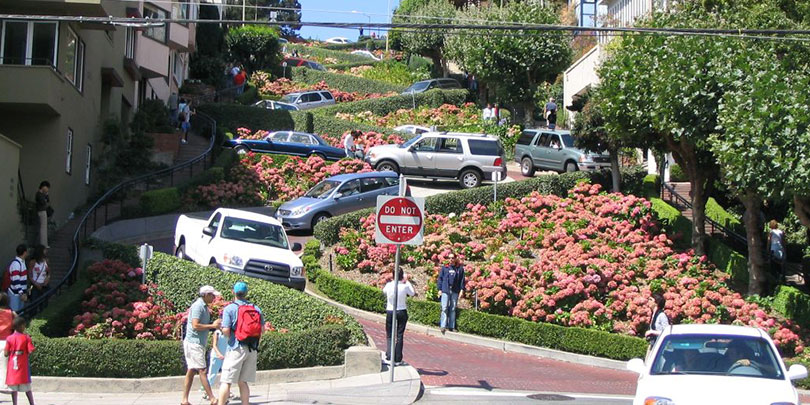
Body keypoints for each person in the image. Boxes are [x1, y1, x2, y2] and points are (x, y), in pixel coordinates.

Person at [218, 282, 263, 405]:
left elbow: (226, 330)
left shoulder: (230, 308)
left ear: (233, 292)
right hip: (252, 348)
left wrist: (226, 332)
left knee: (226, 381)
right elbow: (262, 330)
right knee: (243, 382)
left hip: (236, 348)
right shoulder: (256, 308)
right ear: (246, 293)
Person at [181, 286, 222, 405]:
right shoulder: (198, 306)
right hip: (194, 343)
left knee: (192, 370)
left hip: (196, 342)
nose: (214, 298)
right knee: (202, 370)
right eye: (212, 295)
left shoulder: (203, 306)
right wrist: (212, 326)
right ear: (205, 295)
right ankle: (212, 399)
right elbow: (195, 325)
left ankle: (184, 400)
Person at [383, 269, 415, 366]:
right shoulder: (404, 286)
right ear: (402, 276)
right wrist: (407, 281)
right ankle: (397, 358)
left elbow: (384, 291)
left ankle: (389, 355)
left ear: (393, 276)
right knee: (399, 335)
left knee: (389, 334)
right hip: (401, 310)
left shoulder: (389, 285)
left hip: (390, 310)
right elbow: (412, 293)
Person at [5, 316, 34, 405]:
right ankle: (32, 403)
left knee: (13, 390)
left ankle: (15, 403)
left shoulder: (9, 338)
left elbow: (6, 353)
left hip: (12, 368)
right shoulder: (26, 338)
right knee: (27, 388)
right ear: (21, 326)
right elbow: (31, 350)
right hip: (23, 368)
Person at [437, 254, 465, 334]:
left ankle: (451, 326)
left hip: (455, 290)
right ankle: (443, 325)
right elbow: (440, 279)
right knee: (444, 307)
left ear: (456, 259)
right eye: (449, 258)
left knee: (453, 308)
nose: (451, 259)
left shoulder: (460, 269)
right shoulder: (445, 268)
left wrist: (462, 290)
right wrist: (439, 289)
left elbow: (462, 280)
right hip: (445, 290)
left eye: (453, 258)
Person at [0, 293, 15, 394]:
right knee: (4, 365)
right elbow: (19, 326)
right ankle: (3, 385)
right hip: (6, 342)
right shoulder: (12, 313)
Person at [6, 245, 28, 313]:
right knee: (15, 314)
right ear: (24, 252)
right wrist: (21, 293)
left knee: (19, 314)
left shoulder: (21, 262)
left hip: (19, 293)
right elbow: (15, 281)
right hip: (15, 294)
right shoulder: (16, 264)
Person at [34, 182, 50, 248]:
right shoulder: (39, 194)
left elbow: (47, 200)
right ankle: (43, 244)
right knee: (43, 228)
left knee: (43, 228)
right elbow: (43, 202)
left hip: (43, 211)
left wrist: (46, 195)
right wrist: (45, 197)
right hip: (41, 211)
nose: (47, 189)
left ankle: (44, 244)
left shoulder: (42, 194)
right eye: (47, 187)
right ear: (43, 186)